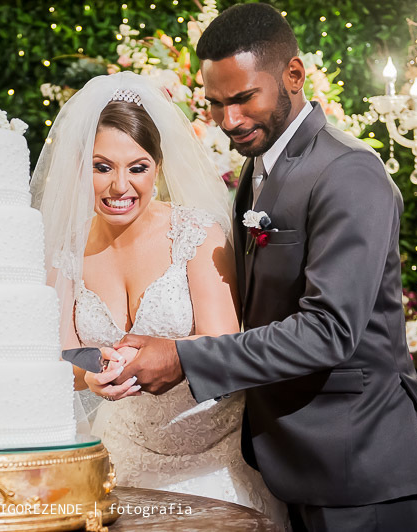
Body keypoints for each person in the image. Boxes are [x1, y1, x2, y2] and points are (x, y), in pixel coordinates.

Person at [105, 4, 417, 532]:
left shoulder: (347, 172)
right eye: (217, 104)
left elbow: (329, 331)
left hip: (361, 470)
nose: (230, 121)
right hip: (291, 463)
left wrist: (184, 358)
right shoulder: (259, 170)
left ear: (294, 75)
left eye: (244, 99)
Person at [30, 71, 287, 525]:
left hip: (214, 454)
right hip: (123, 454)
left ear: (159, 166)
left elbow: (225, 347)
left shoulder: (196, 234)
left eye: (137, 167)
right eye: (102, 166)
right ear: (79, 166)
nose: (119, 187)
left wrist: (167, 355)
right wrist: (90, 375)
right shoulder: (64, 250)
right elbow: (64, 355)